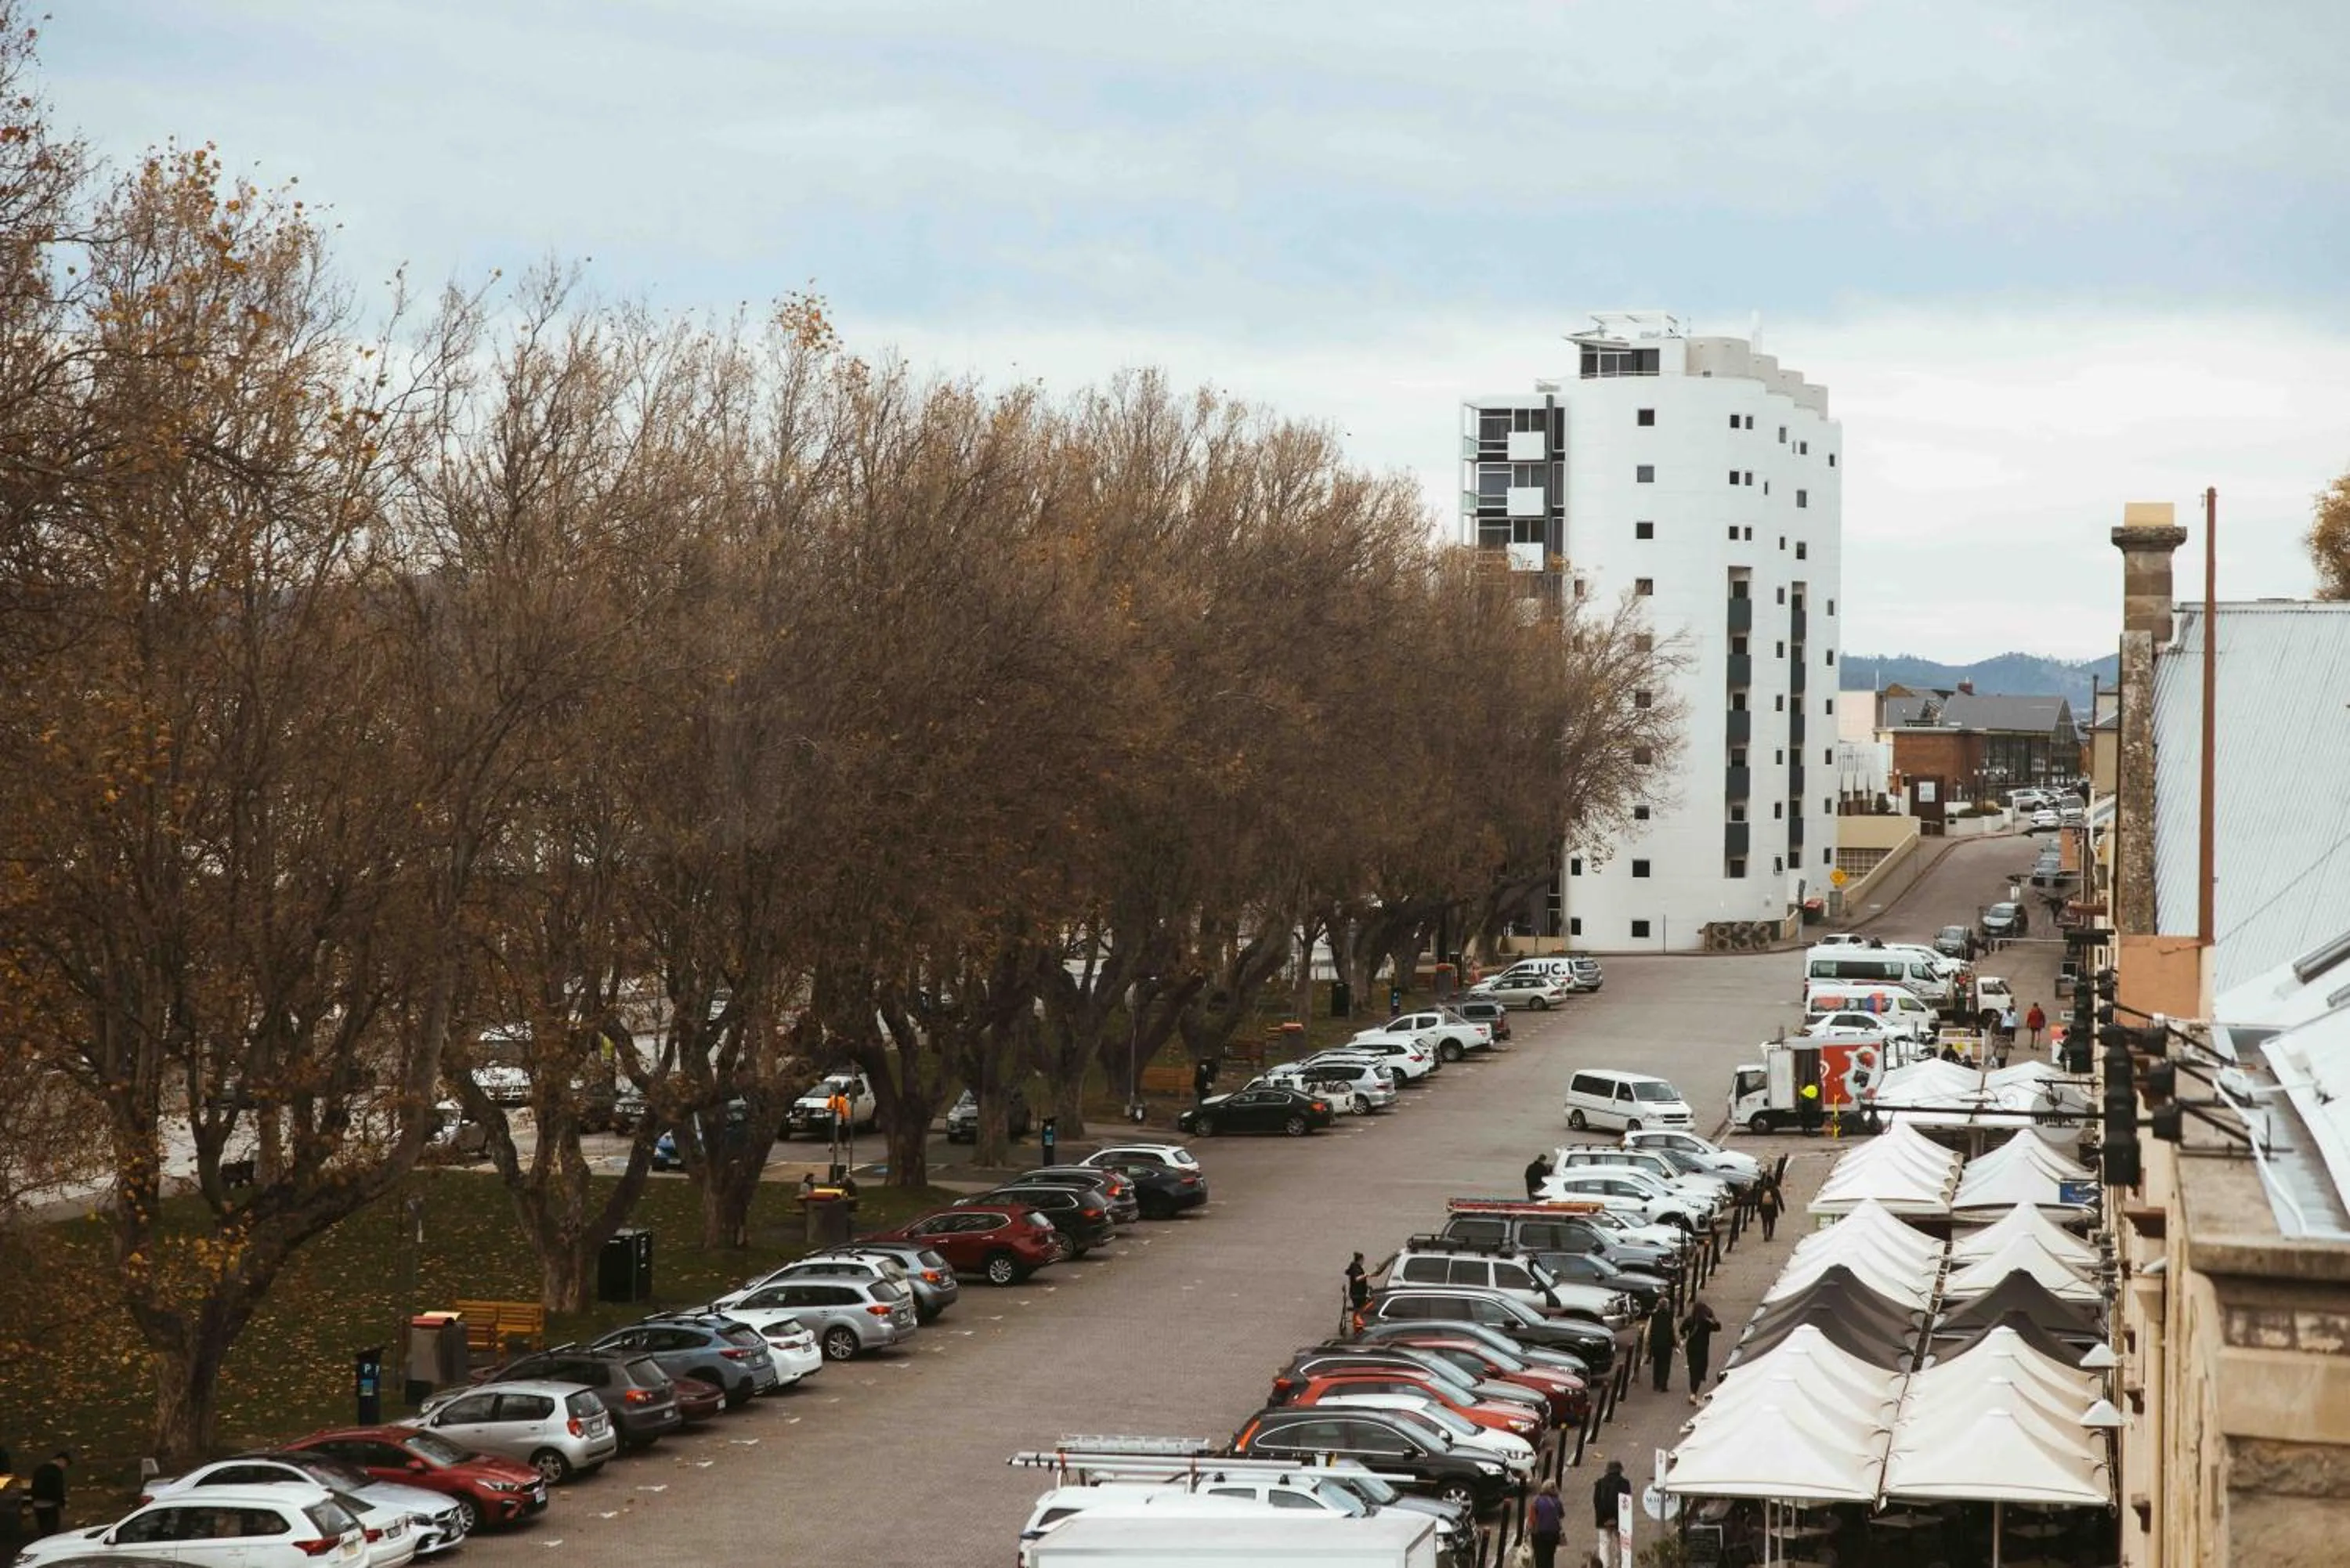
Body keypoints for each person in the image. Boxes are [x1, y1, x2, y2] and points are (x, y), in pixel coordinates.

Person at [1592, 1459, 1632, 1567]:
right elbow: (1626, 1502)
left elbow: (1596, 1502)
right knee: (1619, 1543)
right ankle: (1619, 1564)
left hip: (1603, 1520)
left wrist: (1603, 1518)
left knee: (1604, 1543)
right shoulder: (1625, 1483)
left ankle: (1605, 1565)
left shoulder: (1600, 1483)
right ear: (1620, 1471)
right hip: (1619, 1519)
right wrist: (1618, 1518)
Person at [1680, 1299, 1722, 1402]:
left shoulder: (1689, 1320)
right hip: (1702, 1349)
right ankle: (1694, 1392)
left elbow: (1681, 1329)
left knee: (1693, 1369)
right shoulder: (1706, 1322)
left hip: (1691, 1348)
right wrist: (1713, 1317)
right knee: (1700, 1369)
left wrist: (1685, 1336)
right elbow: (1718, 1327)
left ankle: (1693, 1392)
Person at [1525, 1477, 1564, 1568]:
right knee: (1550, 1556)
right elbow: (1561, 1515)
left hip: (1539, 1534)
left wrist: (1527, 1532)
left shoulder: (1537, 1501)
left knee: (1540, 1558)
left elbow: (1532, 1519)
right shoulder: (1557, 1502)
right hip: (1554, 1533)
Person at [30, 1449, 68, 1537]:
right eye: (65, 1464)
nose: (64, 1467)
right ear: (61, 1460)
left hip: (37, 1504)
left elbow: (34, 1485)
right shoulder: (56, 1472)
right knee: (51, 1532)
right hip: (50, 1504)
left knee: (42, 1528)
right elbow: (58, 1489)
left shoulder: (40, 1469)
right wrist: (62, 1503)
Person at [1645, 1299, 1677, 1394]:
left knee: (1657, 1364)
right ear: (1667, 1306)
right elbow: (1675, 1331)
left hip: (1655, 1344)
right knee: (1666, 1364)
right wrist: (1677, 1343)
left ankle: (1656, 1384)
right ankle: (1664, 1385)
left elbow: (1647, 1333)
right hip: (1667, 1344)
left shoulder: (1653, 1317)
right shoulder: (1671, 1317)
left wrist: (1647, 1345)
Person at [1345, 1252, 1371, 1331]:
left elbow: (1347, 1272)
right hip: (1358, 1294)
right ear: (1360, 1260)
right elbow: (1357, 1279)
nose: (1363, 1262)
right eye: (1363, 1260)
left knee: (1357, 1309)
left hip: (1354, 1292)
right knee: (1359, 1310)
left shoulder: (1353, 1265)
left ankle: (1357, 1324)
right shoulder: (1356, 1268)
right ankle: (1357, 1325)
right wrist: (1366, 1275)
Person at [1755, 1176, 1781, 1241]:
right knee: (1771, 1222)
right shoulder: (1775, 1189)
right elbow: (1779, 1199)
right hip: (1772, 1208)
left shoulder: (1762, 1189)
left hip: (1764, 1208)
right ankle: (1770, 1235)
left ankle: (1765, 1234)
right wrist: (1782, 1208)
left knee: (1765, 1222)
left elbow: (1759, 1200)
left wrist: (1758, 1209)